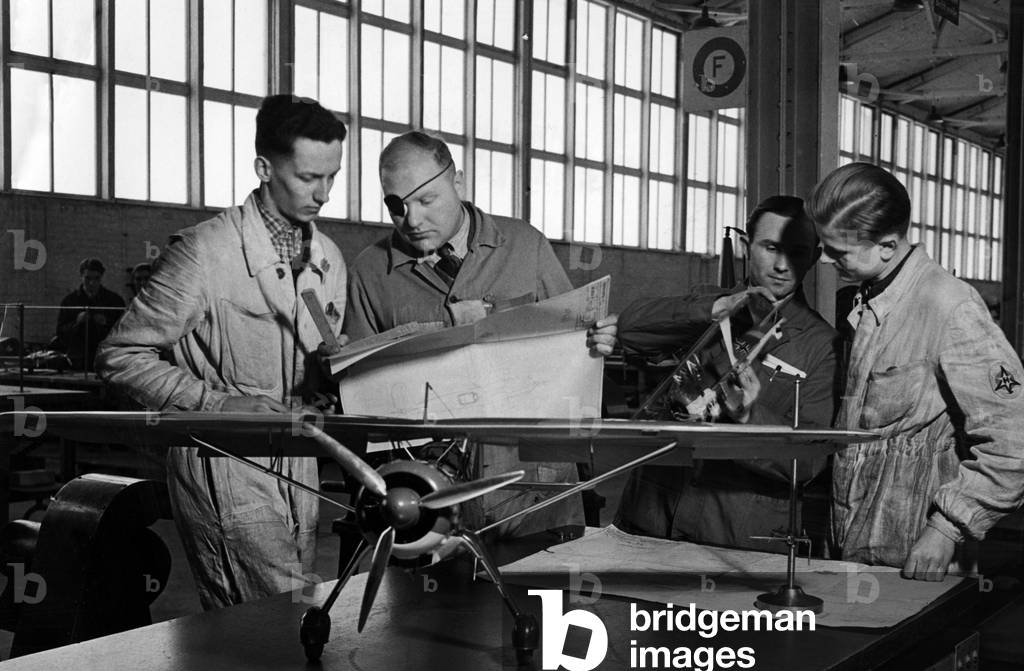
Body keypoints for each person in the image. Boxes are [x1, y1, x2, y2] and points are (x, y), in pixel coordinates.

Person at [97, 95, 348, 608]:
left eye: (332, 177)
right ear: (263, 168)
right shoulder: (204, 252)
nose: (322, 194)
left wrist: (339, 372)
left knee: (286, 626)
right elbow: (121, 355)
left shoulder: (329, 259)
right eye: (307, 177)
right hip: (225, 466)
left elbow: (324, 342)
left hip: (299, 466)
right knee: (271, 625)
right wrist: (215, 404)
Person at [344, 130, 617, 536]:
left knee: (543, 592)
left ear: (458, 182)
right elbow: (358, 397)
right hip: (429, 495)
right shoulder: (370, 272)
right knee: (426, 601)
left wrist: (598, 341)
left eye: (426, 199)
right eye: (396, 206)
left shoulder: (525, 246)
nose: (412, 220)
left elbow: (576, 339)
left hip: (536, 487)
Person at [808, 162, 1024, 581]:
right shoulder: (864, 303)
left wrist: (946, 528)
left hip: (918, 558)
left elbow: (1014, 441)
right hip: (854, 550)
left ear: (887, 245)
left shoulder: (950, 306)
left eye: (839, 252)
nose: (827, 260)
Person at [615, 196, 838, 551]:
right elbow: (630, 330)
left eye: (796, 252)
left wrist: (749, 416)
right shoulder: (707, 307)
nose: (782, 265)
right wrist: (716, 309)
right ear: (747, 247)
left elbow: (810, 462)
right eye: (770, 247)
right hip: (653, 516)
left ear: (813, 257)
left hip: (735, 530)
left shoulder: (822, 346)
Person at [55, 258, 125, 371]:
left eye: (96, 278)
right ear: (81, 276)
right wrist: (76, 323)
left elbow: (124, 333)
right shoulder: (70, 301)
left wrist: (106, 322)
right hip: (77, 361)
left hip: (106, 359)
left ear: (101, 277)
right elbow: (60, 334)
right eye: (87, 278)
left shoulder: (115, 301)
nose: (92, 283)